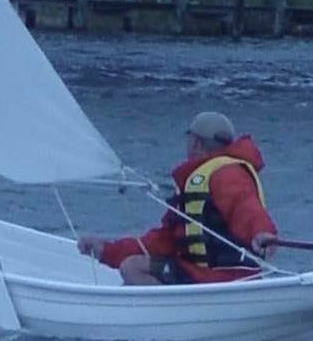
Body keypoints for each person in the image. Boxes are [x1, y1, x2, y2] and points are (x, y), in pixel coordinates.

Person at [78, 111, 278, 285]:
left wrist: (262, 232)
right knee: (136, 265)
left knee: (132, 268)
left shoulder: (225, 174)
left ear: (196, 142)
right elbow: (164, 241)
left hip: (220, 278)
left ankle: (165, 318)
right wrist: (107, 250)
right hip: (210, 275)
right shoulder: (205, 178)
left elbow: (246, 208)